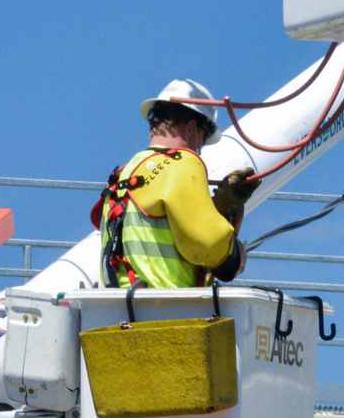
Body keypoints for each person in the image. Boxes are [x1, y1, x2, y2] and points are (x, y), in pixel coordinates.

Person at [93, 79, 252, 288]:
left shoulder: (124, 173)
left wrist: (220, 212)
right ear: (192, 128)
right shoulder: (182, 163)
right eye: (203, 139)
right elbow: (209, 247)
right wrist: (236, 254)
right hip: (167, 308)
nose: (201, 150)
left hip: (120, 306)